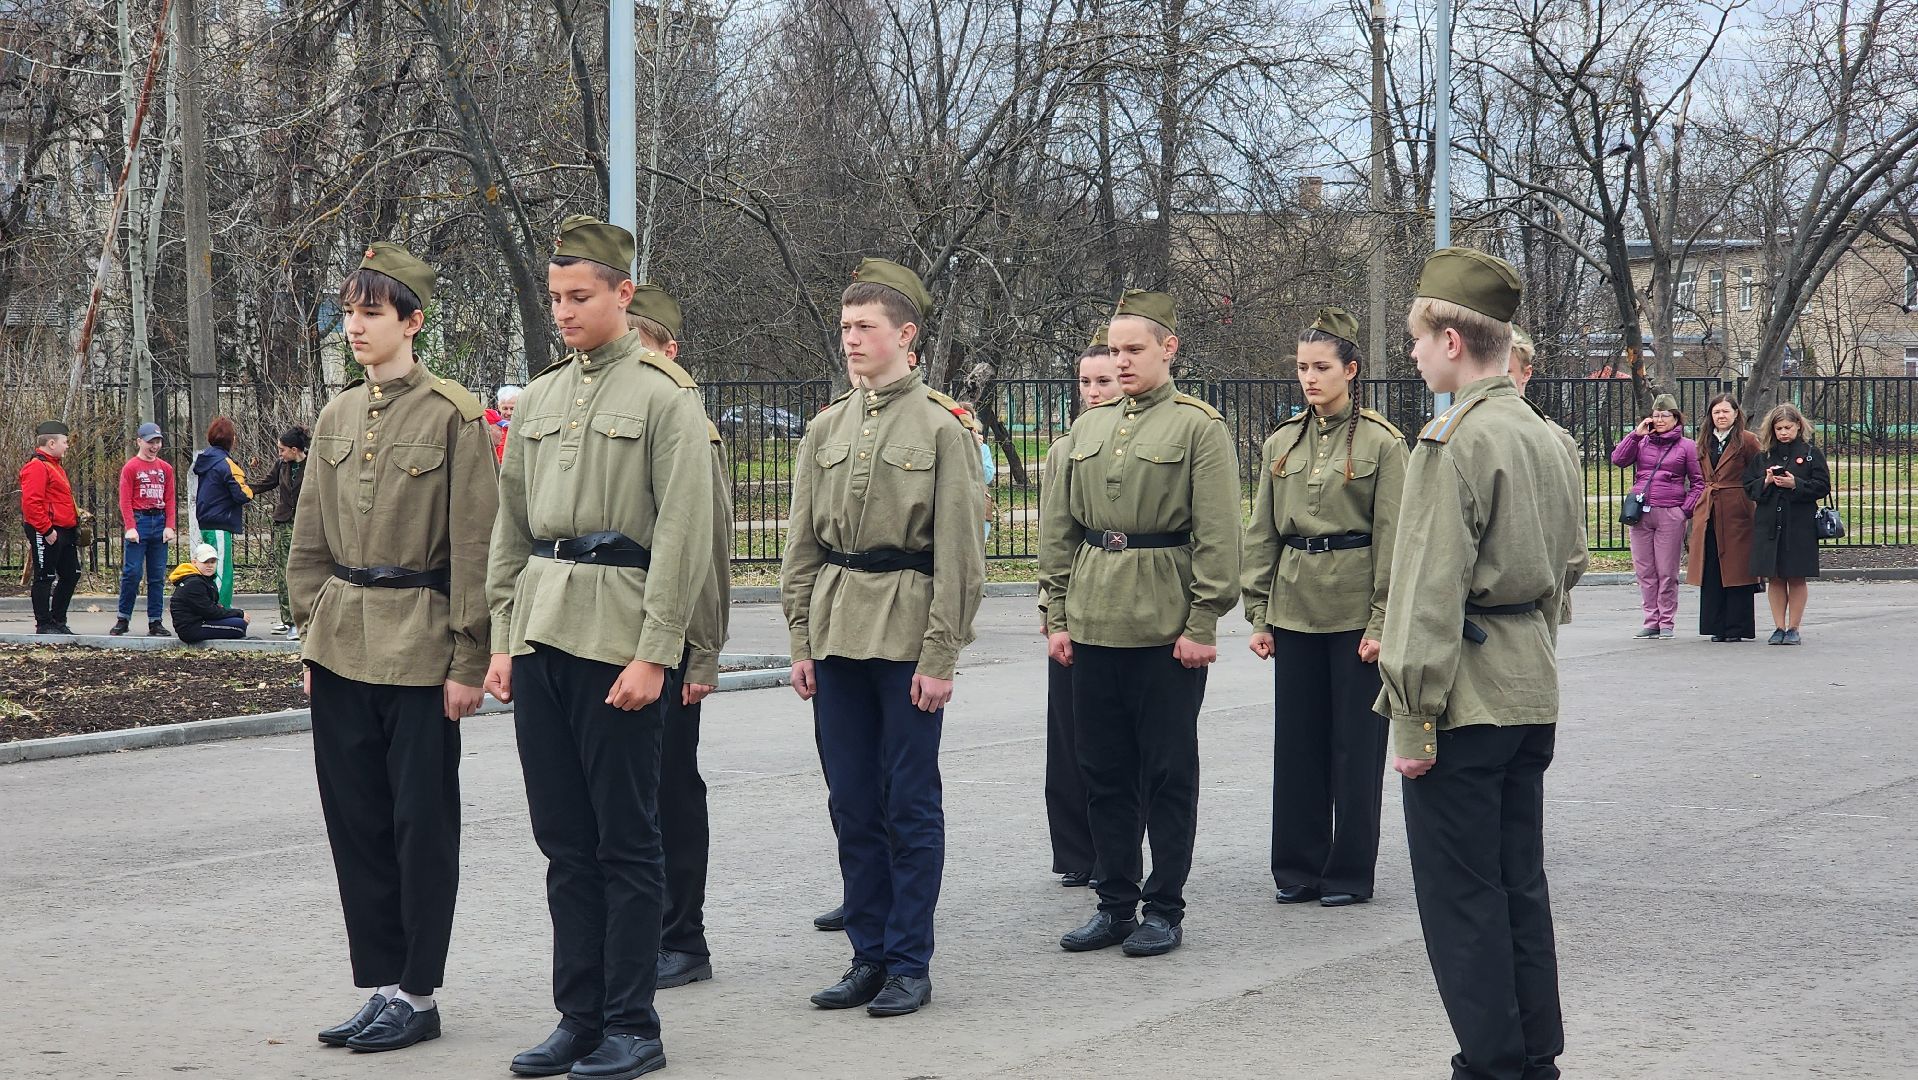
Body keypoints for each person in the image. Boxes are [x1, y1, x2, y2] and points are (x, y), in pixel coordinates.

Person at [485, 215, 716, 1080]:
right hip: (542, 631)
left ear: (624, 293)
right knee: (564, 843)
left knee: (626, 840)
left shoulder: (664, 395)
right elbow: (511, 527)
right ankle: (578, 1017)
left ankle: (632, 1024)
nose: (564, 312)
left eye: (580, 296)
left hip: (619, 638)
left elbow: (684, 535)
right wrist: (502, 639)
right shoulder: (542, 397)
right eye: (556, 298)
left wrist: (657, 652)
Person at [1378, 247, 1587, 1080]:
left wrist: (1411, 716)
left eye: (1418, 338)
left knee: (1462, 899)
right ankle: (1534, 1057)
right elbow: (1569, 568)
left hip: (1462, 700)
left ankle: (1494, 1065)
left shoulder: (1452, 440)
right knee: (1517, 885)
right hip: (1529, 684)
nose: (1414, 353)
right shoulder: (1548, 437)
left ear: (1452, 341)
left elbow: (1426, 591)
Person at [286, 242, 497, 1055]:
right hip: (342, 642)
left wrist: (468, 659)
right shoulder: (337, 415)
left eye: (371, 312)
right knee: (358, 823)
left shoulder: (454, 415)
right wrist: (312, 637)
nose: (355, 326)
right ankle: (379, 984)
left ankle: (418, 992)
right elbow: (309, 541)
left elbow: (475, 546)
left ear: (412, 321)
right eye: (349, 312)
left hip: (421, 645)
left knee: (420, 827)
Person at [780, 257, 986, 1018]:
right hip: (837, 629)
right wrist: (801, 640)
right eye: (845, 326)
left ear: (906, 335)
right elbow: (802, 546)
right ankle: (867, 954)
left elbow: (961, 554)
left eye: (865, 326)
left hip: (906, 633)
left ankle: (908, 961)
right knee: (853, 802)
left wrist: (941, 655)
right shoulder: (826, 426)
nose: (851, 339)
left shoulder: (941, 428)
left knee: (909, 805)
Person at [1039, 289, 1242, 959]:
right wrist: (1056, 614)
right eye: (1115, 350)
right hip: (1093, 621)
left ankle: (1164, 907)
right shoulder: (1087, 430)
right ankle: (1114, 903)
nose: (1121, 361)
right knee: (1102, 771)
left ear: (1168, 349)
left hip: (1164, 626)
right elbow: (1060, 532)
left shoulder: (1198, 427)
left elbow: (1218, 534)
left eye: (1134, 349)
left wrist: (1203, 621)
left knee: (1167, 773)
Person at [1241, 307, 1407, 908]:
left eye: (1321, 367)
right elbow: (1262, 531)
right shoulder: (1282, 442)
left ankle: (1349, 872)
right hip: (1294, 607)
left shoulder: (1384, 443)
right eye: (1302, 368)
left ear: (1350, 371)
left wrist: (1382, 621)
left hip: (1354, 610)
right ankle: (1298, 866)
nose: (1309, 378)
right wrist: (1258, 612)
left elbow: (1394, 539)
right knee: (1298, 745)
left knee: (1355, 748)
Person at [623, 284, 736, 994]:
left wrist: (702, 652)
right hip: (610, 632)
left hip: (669, 644)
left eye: (642, 352)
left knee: (668, 791)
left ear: (670, 350)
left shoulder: (691, 425)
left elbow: (708, 548)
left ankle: (682, 935)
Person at [1040, 330, 1121, 888]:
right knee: (1068, 737)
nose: (1093, 392)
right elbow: (1055, 536)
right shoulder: (1064, 449)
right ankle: (1077, 852)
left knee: (1116, 742)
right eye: (1085, 382)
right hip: (1073, 605)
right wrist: (1052, 610)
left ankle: (1118, 849)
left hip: (1129, 609)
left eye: (1104, 381)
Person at [1610, 394, 1701, 639]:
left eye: (1665, 415)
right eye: (1656, 415)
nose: (1660, 420)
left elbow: (1698, 483)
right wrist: (1635, 435)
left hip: (1669, 513)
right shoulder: (1642, 442)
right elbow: (1618, 459)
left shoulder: (1687, 446)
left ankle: (1666, 621)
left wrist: (1683, 511)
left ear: (1676, 418)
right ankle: (1651, 620)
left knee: (1666, 571)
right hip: (1640, 512)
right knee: (1645, 570)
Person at [1744, 402, 1830, 645]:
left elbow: (1823, 486)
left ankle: (1794, 627)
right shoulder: (1763, 456)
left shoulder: (1811, 453)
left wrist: (1796, 484)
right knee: (1775, 577)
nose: (1784, 432)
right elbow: (1749, 487)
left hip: (1799, 524)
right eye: (1779, 428)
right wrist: (1766, 482)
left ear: (1798, 426)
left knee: (1796, 576)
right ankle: (1778, 627)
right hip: (1769, 524)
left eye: (1788, 427)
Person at [1688, 393, 1762, 642]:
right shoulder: (1704, 440)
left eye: (1725, 411)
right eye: (1716, 412)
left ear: (1735, 414)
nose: (1721, 416)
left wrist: (1748, 499)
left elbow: (1758, 471)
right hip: (1709, 509)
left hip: (1736, 510)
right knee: (1711, 567)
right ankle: (1716, 626)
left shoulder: (1747, 440)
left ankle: (1737, 627)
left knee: (1737, 568)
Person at [112, 422, 177, 637]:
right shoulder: (131, 467)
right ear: (139, 442)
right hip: (140, 521)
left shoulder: (166, 468)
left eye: (158, 442)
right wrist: (130, 527)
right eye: (150, 442)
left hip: (159, 521)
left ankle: (155, 621)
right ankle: (123, 618)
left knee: (157, 576)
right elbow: (125, 500)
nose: (154, 446)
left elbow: (170, 499)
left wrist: (169, 525)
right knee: (132, 573)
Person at [20, 419, 80, 635]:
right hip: (48, 530)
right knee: (44, 576)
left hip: (64, 529)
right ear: (51, 443)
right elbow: (31, 503)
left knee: (71, 573)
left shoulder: (55, 466)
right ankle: (44, 624)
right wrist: (46, 530)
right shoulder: (37, 466)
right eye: (65, 442)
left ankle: (58, 620)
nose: (67, 446)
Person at [251, 427, 309, 638]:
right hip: (284, 523)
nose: (280, 454)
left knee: (304, 573)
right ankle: (289, 620)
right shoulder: (281, 465)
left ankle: (304, 619)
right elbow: (266, 483)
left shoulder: (312, 465)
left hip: (306, 524)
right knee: (284, 573)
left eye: (282, 450)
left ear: (295, 449)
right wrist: (243, 490)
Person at [192, 416, 254, 607]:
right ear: (231, 439)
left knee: (208, 568)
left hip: (206, 521)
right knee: (220, 570)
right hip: (220, 522)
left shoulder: (206, 460)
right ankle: (219, 609)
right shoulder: (226, 463)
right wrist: (252, 488)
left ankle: (212, 607)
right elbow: (243, 494)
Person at [169, 544, 249, 642]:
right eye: (205, 562)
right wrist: (238, 613)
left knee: (237, 623)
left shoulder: (204, 579)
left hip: (200, 621)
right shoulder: (194, 583)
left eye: (213, 562)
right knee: (239, 626)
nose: (210, 565)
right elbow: (210, 612)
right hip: (192, 628)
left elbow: (211, 608)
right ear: (194, 562)